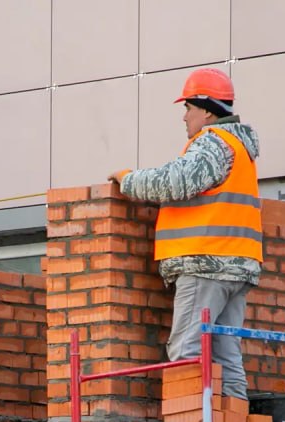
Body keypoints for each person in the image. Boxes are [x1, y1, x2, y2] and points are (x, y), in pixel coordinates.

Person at [108, 67, 261, 400]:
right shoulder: (239, 147)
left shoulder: (213, 142)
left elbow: (175, 181)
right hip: (235, 267)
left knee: (186, 350)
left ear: (206, 110)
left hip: (206, 263)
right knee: (226, 354)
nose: (184, 117)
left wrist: (128, 179)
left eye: (188, 108)